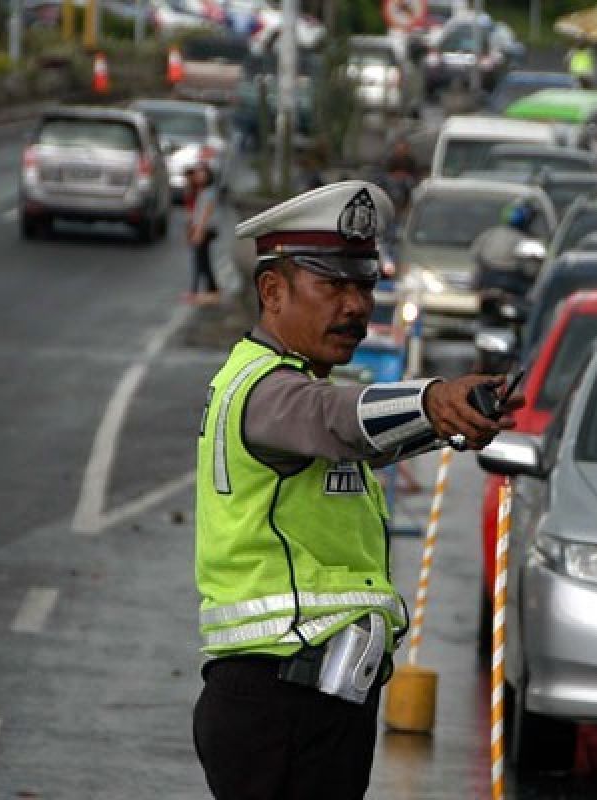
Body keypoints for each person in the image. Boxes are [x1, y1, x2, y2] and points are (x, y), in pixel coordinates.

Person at [191, 180, 523, 799]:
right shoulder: (267, 391)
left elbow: (360, 440)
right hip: (277, 702)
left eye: (364, 285)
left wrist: (447, 423)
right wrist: (431, 399)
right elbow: (340, 418)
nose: (354, 305)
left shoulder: (295, 386)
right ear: (271, 291)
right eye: (331, 285)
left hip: (315, 700)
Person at [186, 162, 220, 306]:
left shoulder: (209, 192)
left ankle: (205, 291)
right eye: (197, 173)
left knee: (201, 261)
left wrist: (199, 232)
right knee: (202, 261)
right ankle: (208, 290)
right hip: (201, 229)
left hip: (206, 230)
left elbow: (206, 214)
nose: (198, 176)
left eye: (202, 173)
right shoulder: (201, 191)